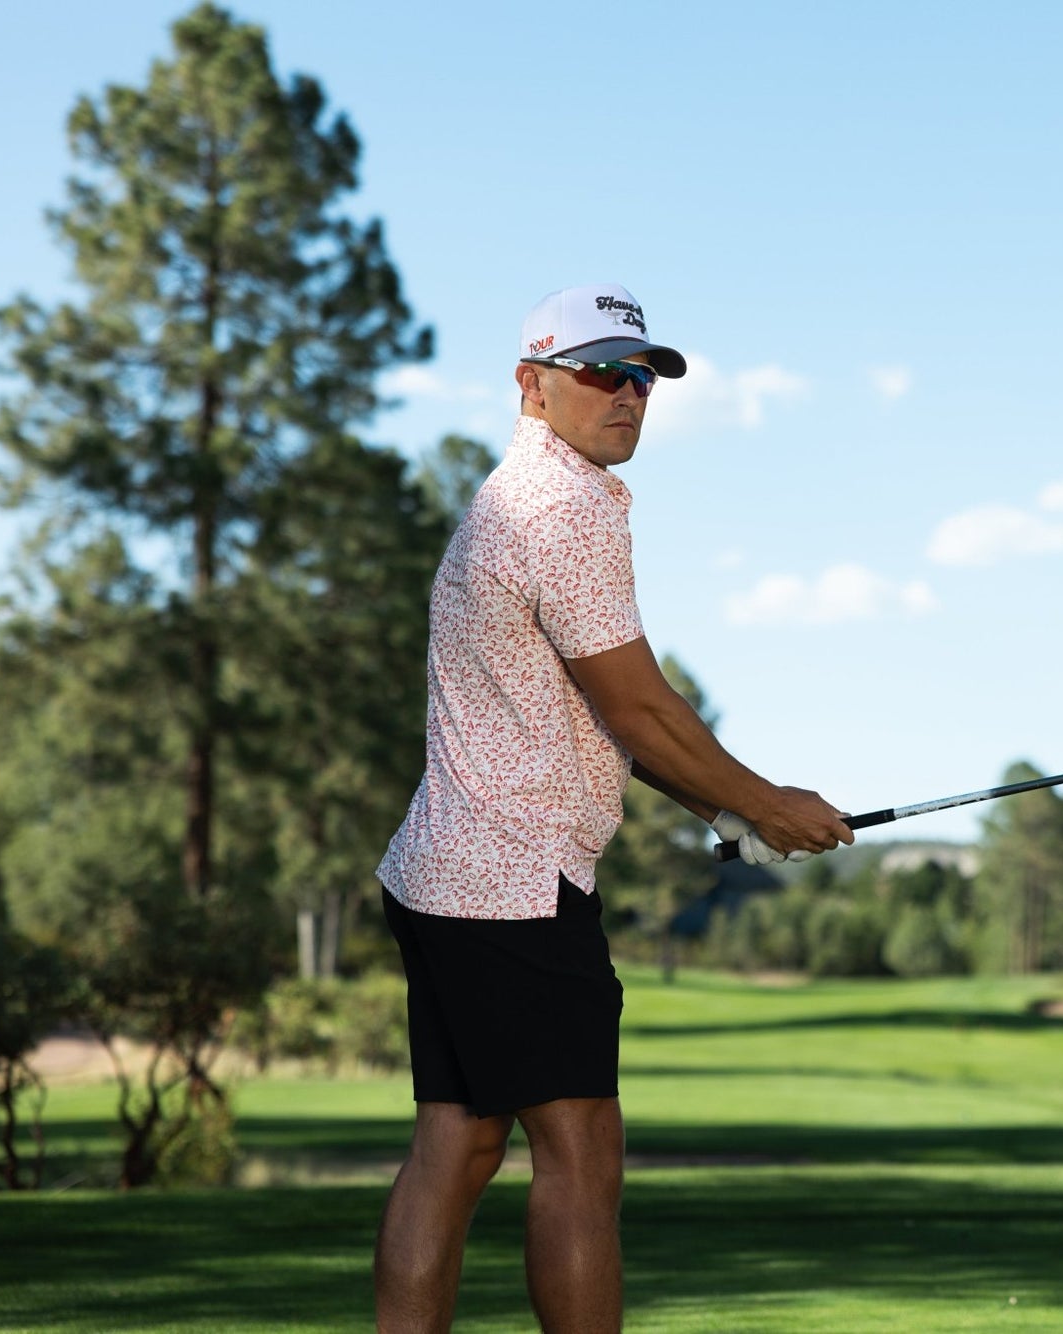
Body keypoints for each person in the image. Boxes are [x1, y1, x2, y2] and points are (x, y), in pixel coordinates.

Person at [372, 282, 853, 1333]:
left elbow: (592, 711)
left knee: (454, 1144)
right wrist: (767, 803)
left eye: (642, 376)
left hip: (444, 870)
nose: (627, 395)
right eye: (600, 372)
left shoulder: (516, 494)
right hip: (511, 880)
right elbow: (636, 700)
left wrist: (717, 809)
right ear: (531, 384)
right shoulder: (566, 507)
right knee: (581, 1147)